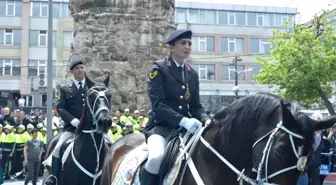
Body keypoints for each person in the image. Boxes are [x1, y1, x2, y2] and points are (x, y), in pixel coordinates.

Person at [141, 29, 210, 185]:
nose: (187, 46)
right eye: (183, 43)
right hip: (161, 127)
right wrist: (183, 120)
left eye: (189, 44)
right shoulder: (159, 68)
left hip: (185, 130)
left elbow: (195, 106)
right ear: (171, 47)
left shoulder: (192, 74)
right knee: (156, 158)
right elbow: (158, 104)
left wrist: (207, 120)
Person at [44, 59, 87, 185]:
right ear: (71, 72)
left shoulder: (91, 87)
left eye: (82, 67)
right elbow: (60, 107)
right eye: (77, 68)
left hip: (90, 128)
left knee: (111, 144)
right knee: (58, 147)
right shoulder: (65, 89)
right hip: (72, 129)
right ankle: (54, 177)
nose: (80, 70)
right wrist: (73, 120)